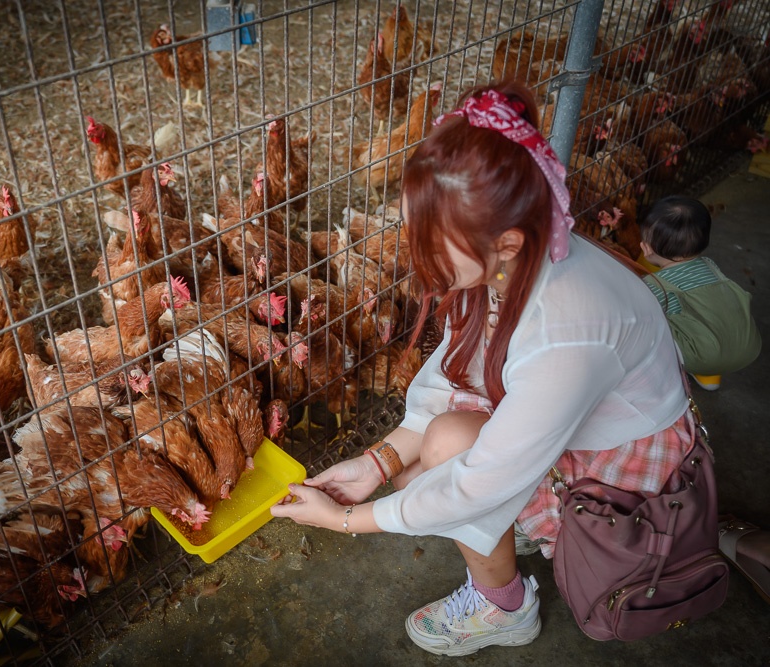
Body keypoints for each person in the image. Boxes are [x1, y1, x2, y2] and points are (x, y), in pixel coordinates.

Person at [270, 82, 694, 657]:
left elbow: (479, 480)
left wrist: (348, 522)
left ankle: (505, 609)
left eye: (433, 245)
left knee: (444, 459)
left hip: (621, 463)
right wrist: (377, 461)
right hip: (563, 424)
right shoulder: (506, 265)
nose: (419, 259)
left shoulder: (567, 331)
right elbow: (453, 374)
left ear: (508, 241)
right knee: (413, 474)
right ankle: (517, 526)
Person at [639, 196, 761, 391]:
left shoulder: (655, 284)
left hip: (705, 356)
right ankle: (709, 375)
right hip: (748, 346)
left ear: (646, 249)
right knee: (705, 311)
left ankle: (673, 372)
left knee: (644, 323)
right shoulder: (711, 266)